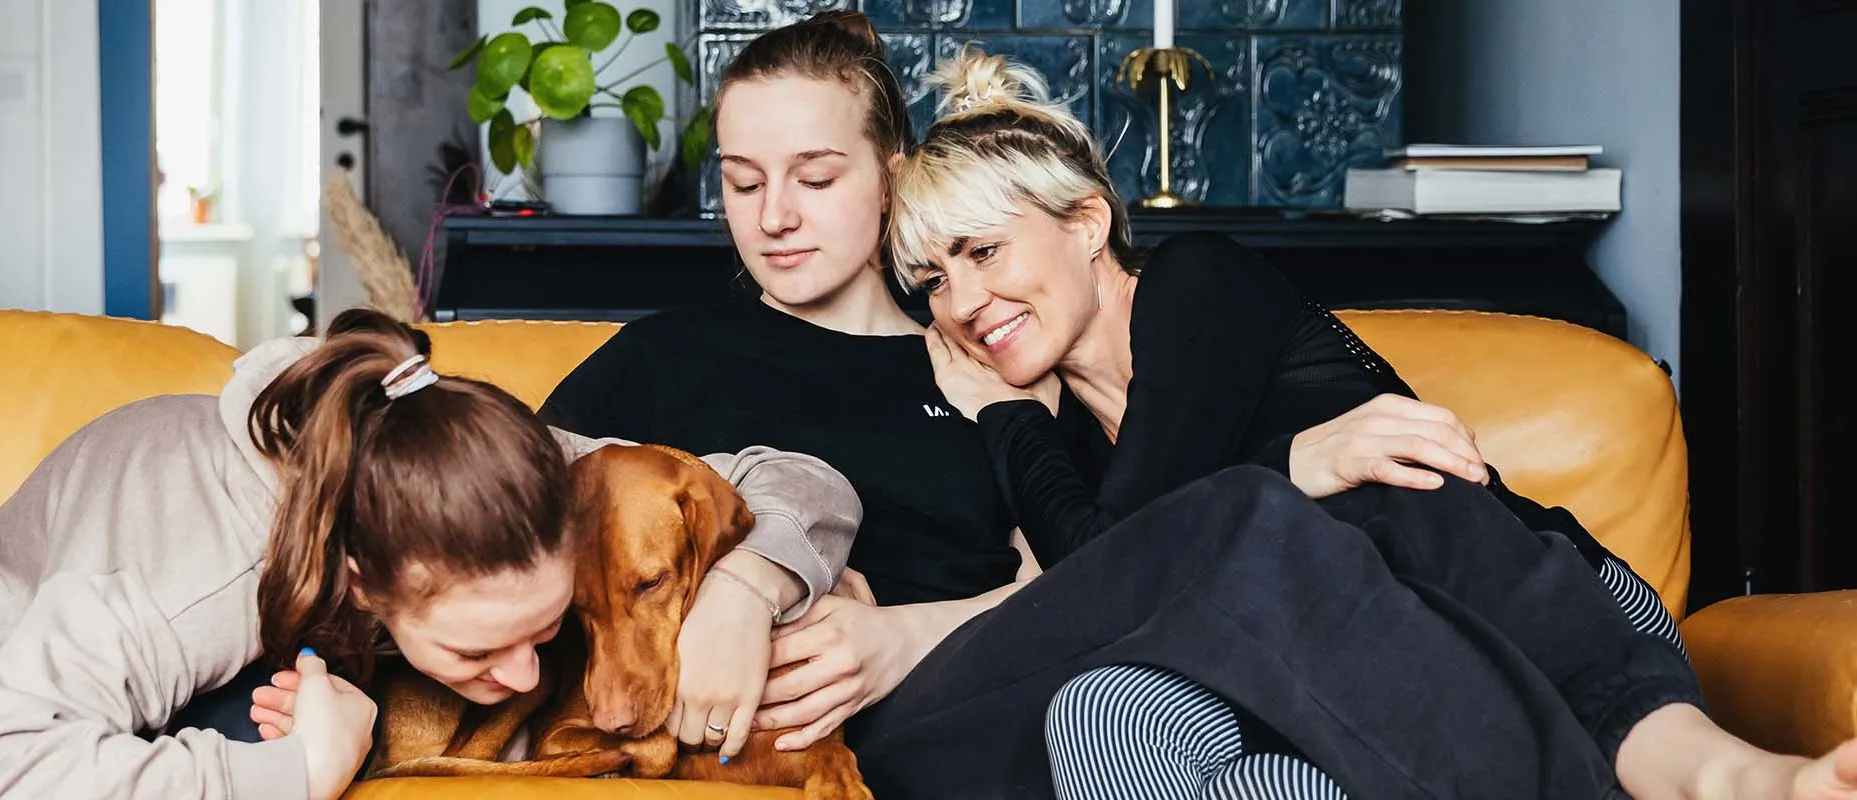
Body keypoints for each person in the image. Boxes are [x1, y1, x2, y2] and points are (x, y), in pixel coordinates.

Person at [539, 11, 1857, 799]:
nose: (772, 214)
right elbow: (499, 489)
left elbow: (1098, 576)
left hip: (1453, 621)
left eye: (816, 175)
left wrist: (928, 613)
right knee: (1245, 539)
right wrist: (750, 580)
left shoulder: (1037, 376)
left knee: (1131, 706)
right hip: (931, 723)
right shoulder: (681, 359)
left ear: (892, 176)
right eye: (740, 178)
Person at [0, 308, 858, 800]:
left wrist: (745, 585)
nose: (520, 676)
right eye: (483, 644)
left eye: (538, 627)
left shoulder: (477, 461)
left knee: (250, 695)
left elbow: (792, 479)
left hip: (171, 689)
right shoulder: (200, 574)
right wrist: (291, 773)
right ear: (370, 578)